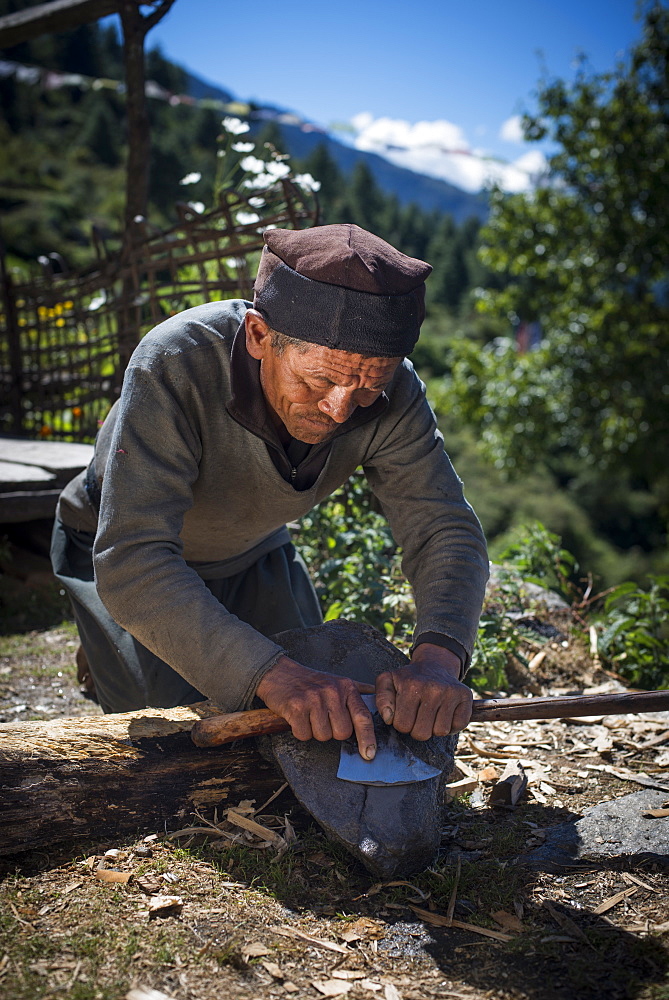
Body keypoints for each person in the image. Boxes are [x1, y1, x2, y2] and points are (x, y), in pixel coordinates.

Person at [52, 224, 489, 763]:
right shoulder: (175, 362)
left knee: (333, 714)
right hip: (124, 553)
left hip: (251, 548)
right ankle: (109, 648)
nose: (340, 409)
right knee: (182, 743)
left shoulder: (393, 392)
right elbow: (133, 560)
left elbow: (442, 527)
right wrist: (270, 673)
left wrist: (439, 658)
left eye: (368, 387)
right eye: (315, 382)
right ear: (260, 337)